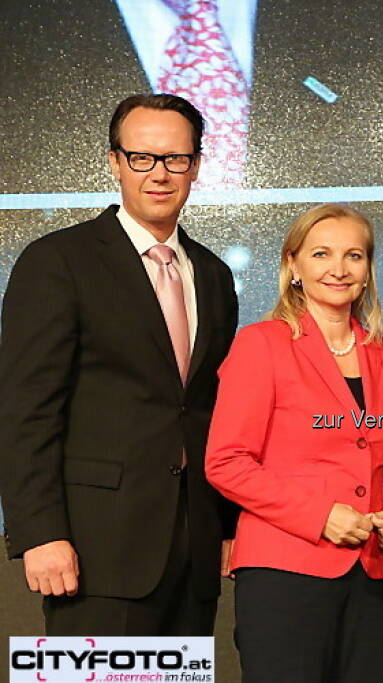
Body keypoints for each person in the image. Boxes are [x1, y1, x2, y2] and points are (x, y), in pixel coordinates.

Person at [0, 94, 239, 635]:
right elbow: (24, 412)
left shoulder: (214, 275)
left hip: (192, 552)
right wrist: (39, 532)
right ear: (114, 162)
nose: (159, 174)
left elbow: (209, 412)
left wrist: (225, 524)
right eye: (142, 158)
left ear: (196, 165)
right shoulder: (57, 261)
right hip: (91, 553)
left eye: (175, 158)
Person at [205, 203, 383, 683]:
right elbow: (226, 462)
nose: (338, 269)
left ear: (368, 270)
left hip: (372, 573)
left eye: (353, 256)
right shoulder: (261, 344)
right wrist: (320, 516)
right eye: (321, 254)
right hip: (284, 572)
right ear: (293, 264)